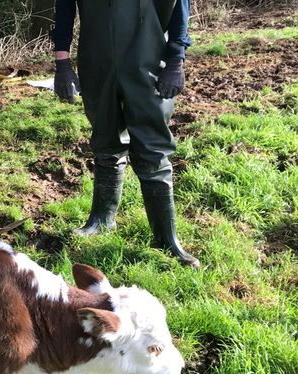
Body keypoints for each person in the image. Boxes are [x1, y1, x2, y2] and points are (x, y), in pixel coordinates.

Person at [51, 0, 200, 267]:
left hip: (148, 60)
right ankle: (101, 219)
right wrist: (62, 62)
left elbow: (180, 7)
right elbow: (64, 7)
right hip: (96, 60)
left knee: (153, 148)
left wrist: (176, 60)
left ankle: (166, 239)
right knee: (105, 139)